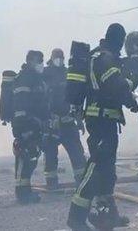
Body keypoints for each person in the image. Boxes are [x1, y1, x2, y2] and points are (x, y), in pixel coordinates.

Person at [67, 24, 138, 230]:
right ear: (119, 40)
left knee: (107, 171)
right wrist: (131, 96)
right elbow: (116, 85)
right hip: (101, 121)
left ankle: (106, 216)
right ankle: (76, 217)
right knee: (96, 168)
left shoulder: (102, 56)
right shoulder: (104, 58)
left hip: (106, 120)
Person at [42, 48, 87, 189]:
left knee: (77, 152)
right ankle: (51, 183)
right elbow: (40, 99)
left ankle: (81, 181)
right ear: (51, 58)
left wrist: (79, 120)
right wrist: (46, 118)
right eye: (57, 57)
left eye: (61, 57)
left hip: (68, 122)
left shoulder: (68, 73)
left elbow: (76, 98)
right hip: (52, 124)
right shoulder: (44, 74)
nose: (59, 60)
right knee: (50, 154)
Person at [11, 50, 47, 204]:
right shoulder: (24, 79)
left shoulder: (36, 79)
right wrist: (24, 126)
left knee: (31, 157)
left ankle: (26, 191)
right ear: (30, 61)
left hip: (35, 123)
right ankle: (22, 193)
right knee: (24, 156)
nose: (41, 64)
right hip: (25, 124)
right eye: (39, 61)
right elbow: (20, 104)